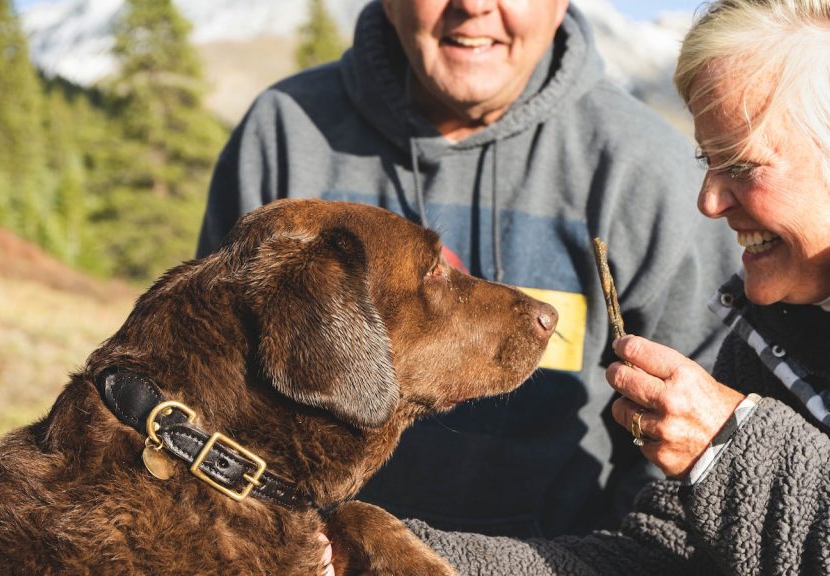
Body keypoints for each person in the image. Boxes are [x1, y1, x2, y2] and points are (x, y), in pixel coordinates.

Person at [400, 0, 830, 573]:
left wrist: (729, 451)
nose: (708, 201)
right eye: (709, 160)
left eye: (742, 165)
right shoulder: (776, 334)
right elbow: (663, 559)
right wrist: (387, 558)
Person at [196, 0, 737, 539]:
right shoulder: (287, 135)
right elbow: (211, 390)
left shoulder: (643, 168)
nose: (474, 6)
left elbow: (691, 445)